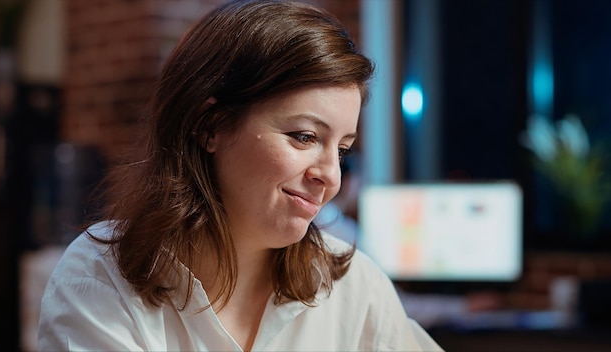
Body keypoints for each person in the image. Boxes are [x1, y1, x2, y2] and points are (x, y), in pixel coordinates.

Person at [37, 0, 443, 351]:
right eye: (304, 136)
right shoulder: (99, 278)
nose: (330, 177)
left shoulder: (354, 287)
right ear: (210, 124)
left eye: (341, 150)